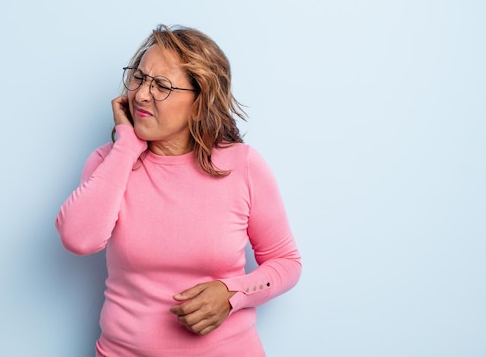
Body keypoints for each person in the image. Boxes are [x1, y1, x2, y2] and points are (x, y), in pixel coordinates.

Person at [55, 24, 301, 356]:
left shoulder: (242, 166)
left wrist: (232, 293)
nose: (141, 94)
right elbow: (79, 239)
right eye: (139, 78)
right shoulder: (107, 163)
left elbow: (285, 261)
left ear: (200, 104)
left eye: (161, 86)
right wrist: (127, 146)